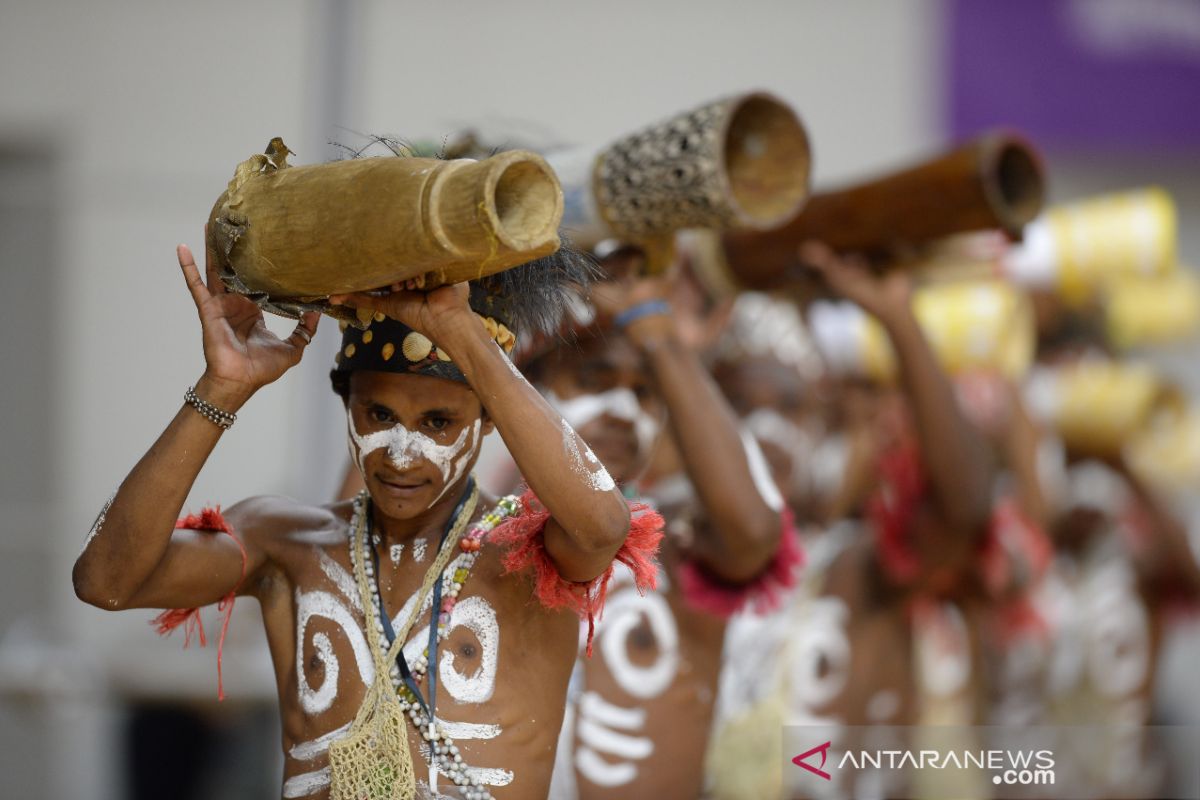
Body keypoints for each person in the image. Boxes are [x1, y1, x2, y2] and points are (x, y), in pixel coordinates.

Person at [73, 234, 662, 800]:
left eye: (438, 423)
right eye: (378, 414)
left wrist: (463, 334)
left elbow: (605, 527)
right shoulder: (288, 543)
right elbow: (106, 582)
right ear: (347, 407)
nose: (403, 452)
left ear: (488, 422)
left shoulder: (525, 548)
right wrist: (221, 389)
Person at [525, 247, 803, 800]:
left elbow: (753, 529)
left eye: (645, 392)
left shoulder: (680, 544)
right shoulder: (472, 535)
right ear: (527, 384)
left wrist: (659, 334)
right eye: (593, 379)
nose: (623, 410)